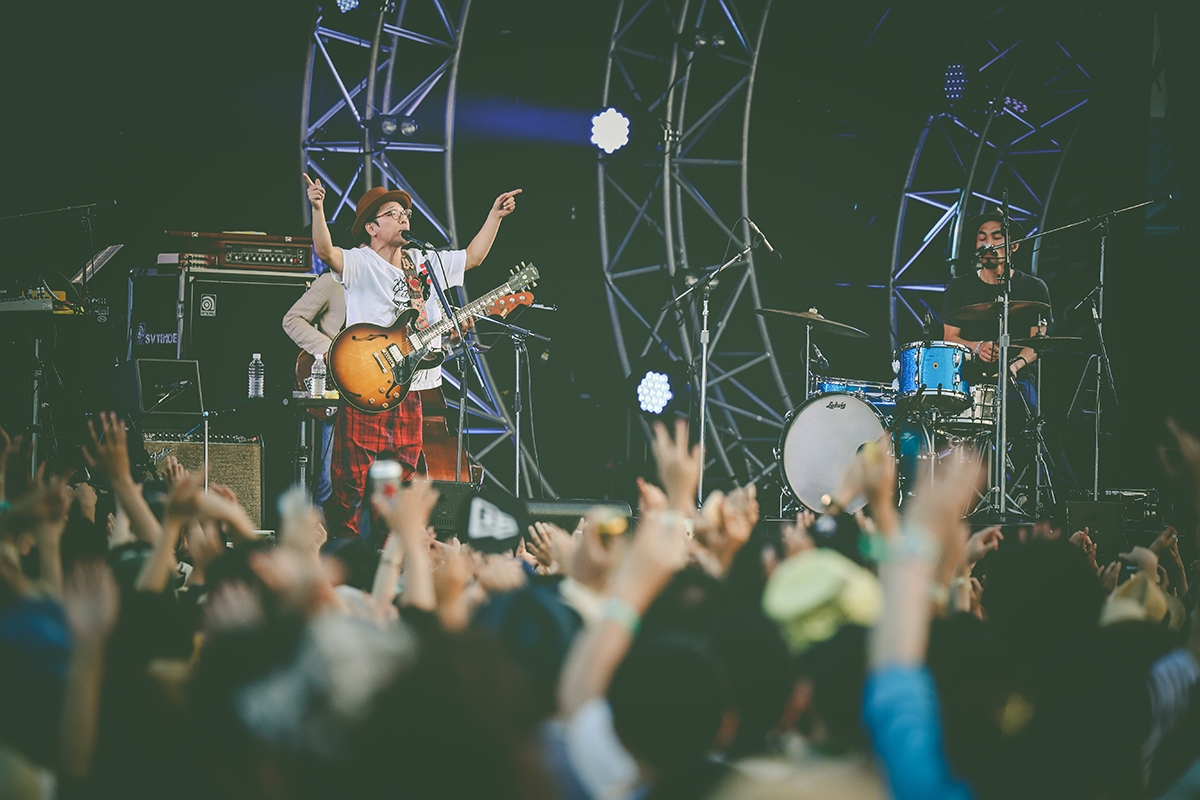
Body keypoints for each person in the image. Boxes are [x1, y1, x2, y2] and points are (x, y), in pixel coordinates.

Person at [304, 175, 522, 539]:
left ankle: (391, 555)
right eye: (393, 213)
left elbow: (473, 257)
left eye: (406, 212)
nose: (404, 217)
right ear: (372, 227)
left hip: (414, 387)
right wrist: (317, 207)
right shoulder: (360, 262)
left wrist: (495, 217)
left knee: (402, 483)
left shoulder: (424, 261)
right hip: (368, 381)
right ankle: (345, 552)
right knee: (349, 482)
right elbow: (326, 251)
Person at [941, 212, 1051, 387]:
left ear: (1013, 246)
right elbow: (949, 337)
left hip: (1018, 378)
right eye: (982, 238)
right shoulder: (958, 287)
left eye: (996, 237)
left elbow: (1037, 342)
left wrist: (1014, 365)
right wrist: (978, 347)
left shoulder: (1034, 287)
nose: (988, 244)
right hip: (969, 380)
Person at [282, 271, 345, 507]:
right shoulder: (333, 281)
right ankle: (318, 528)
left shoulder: (388, 280)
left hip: (378, 391)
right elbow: (292, 319)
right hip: (340, 390)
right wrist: (330, 350)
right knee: (330, 478)